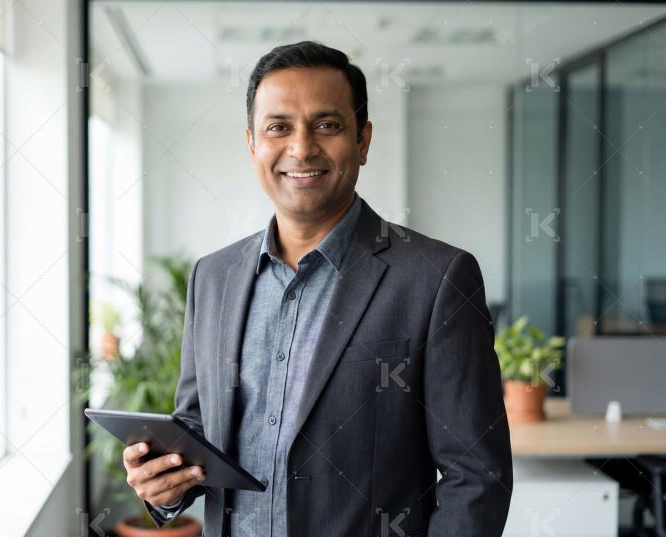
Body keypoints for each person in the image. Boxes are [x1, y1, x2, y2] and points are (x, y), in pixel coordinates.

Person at [123, 40, 512, 537]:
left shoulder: (435, 278)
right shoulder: (213, 277)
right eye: (278, 127)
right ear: (252, 145)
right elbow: (199, 430)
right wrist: (166, 486)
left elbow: (477, 476)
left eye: (327, 125)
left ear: (363, 140)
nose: (302, 148)